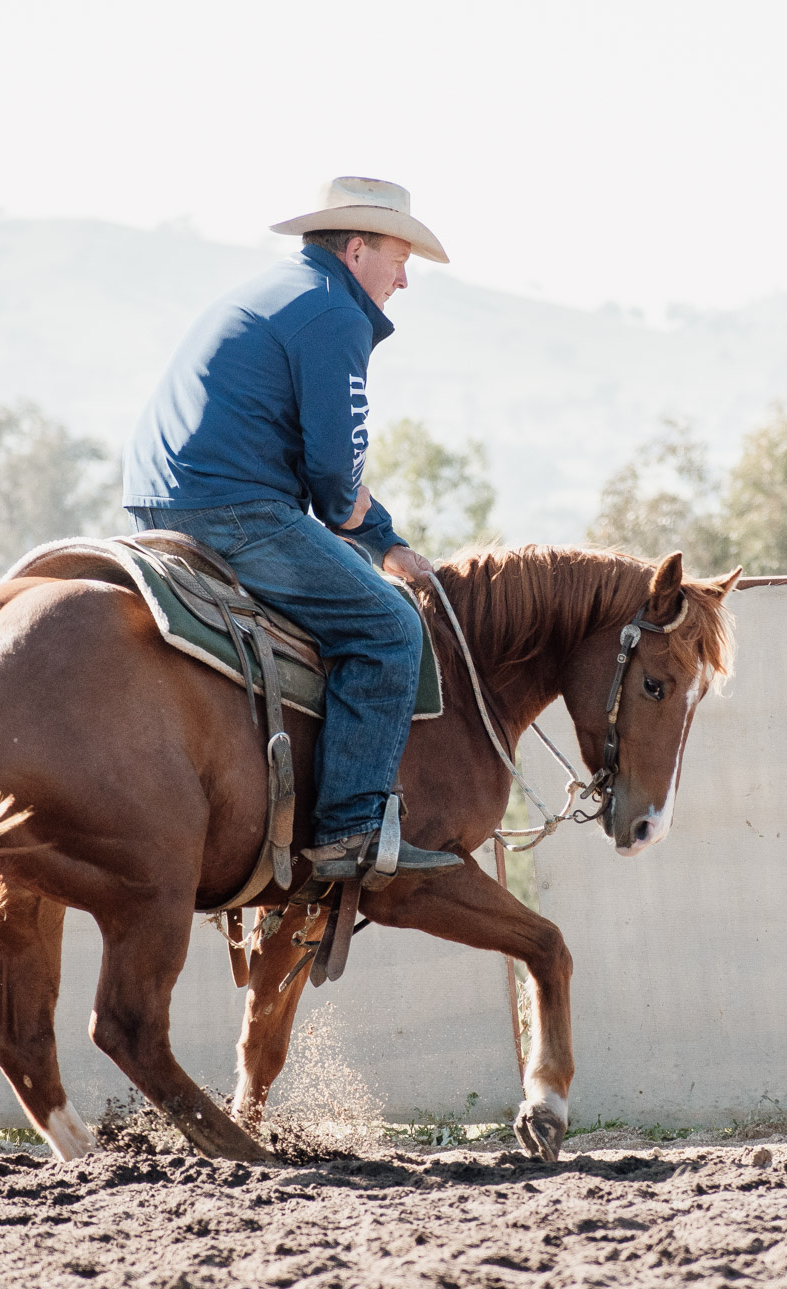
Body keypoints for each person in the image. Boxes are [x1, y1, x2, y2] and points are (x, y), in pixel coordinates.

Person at [122, 177, 463, 884]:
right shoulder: (335, 314)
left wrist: (379, 538)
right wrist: (369, 531)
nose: (404, 280)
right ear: (358, 249)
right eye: (400, 259)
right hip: (234, 511)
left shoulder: (276, 290)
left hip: (156, 502)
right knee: (389, 630)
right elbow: (336, 474)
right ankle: (351, 831)